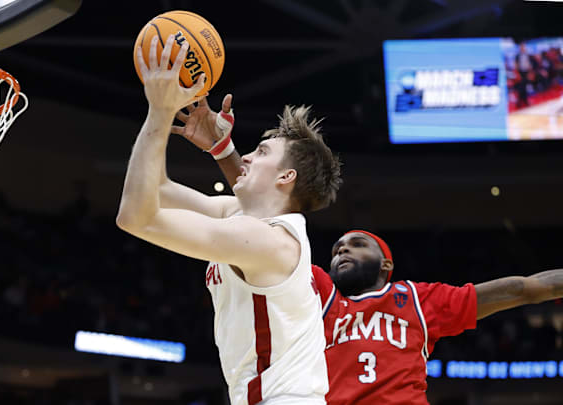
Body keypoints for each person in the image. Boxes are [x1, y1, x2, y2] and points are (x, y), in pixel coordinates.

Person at [178, 95, 563, 405]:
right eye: (338, 247)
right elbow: (261, 210)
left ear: (386, 265)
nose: (342, 251)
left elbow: (522, 288)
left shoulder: (417, 299)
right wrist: (223, 149)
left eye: (357, 245)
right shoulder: (317, 293)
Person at [117, 34, 342, 405]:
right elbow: (154, 188)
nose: (248, 157)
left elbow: (136, 218)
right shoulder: (237, 216)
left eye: (262, 151)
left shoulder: (269, 241)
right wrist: (187, 127)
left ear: (286, 178)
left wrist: (159, 111)